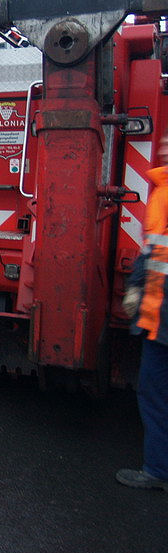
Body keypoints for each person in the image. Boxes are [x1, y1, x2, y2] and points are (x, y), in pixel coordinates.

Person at [118, 131, 168, 490]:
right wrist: (135, 286)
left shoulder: (163, 195)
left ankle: (158, 470)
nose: (162, 147)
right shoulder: (161, 193)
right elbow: (152, 251)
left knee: (154, 394)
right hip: (157, 317)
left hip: (162, 320)